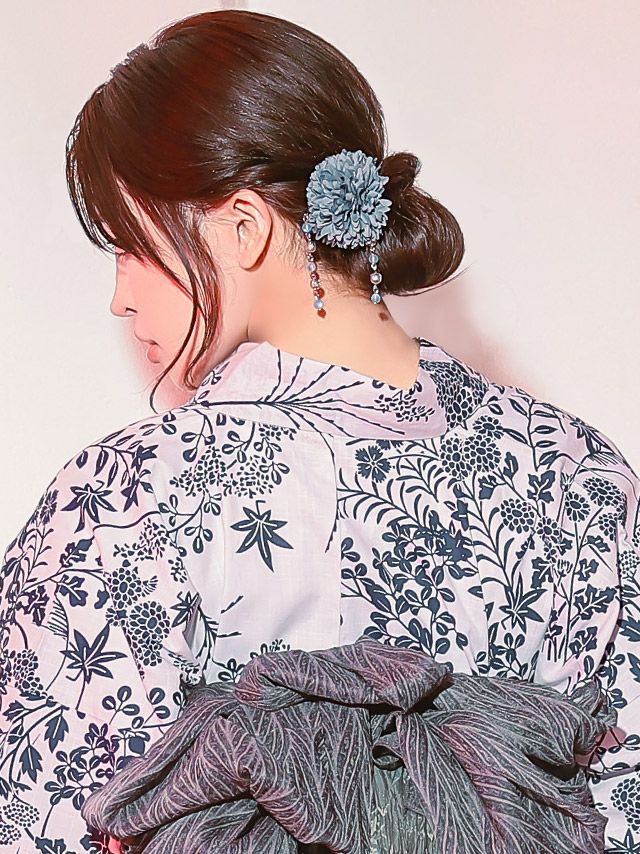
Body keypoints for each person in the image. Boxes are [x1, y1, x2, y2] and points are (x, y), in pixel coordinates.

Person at [0, 8, 637, 853]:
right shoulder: (575, 470)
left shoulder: (130, 497)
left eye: (129, 246)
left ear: (243, 227)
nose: (120, 296)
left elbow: (42, 820)